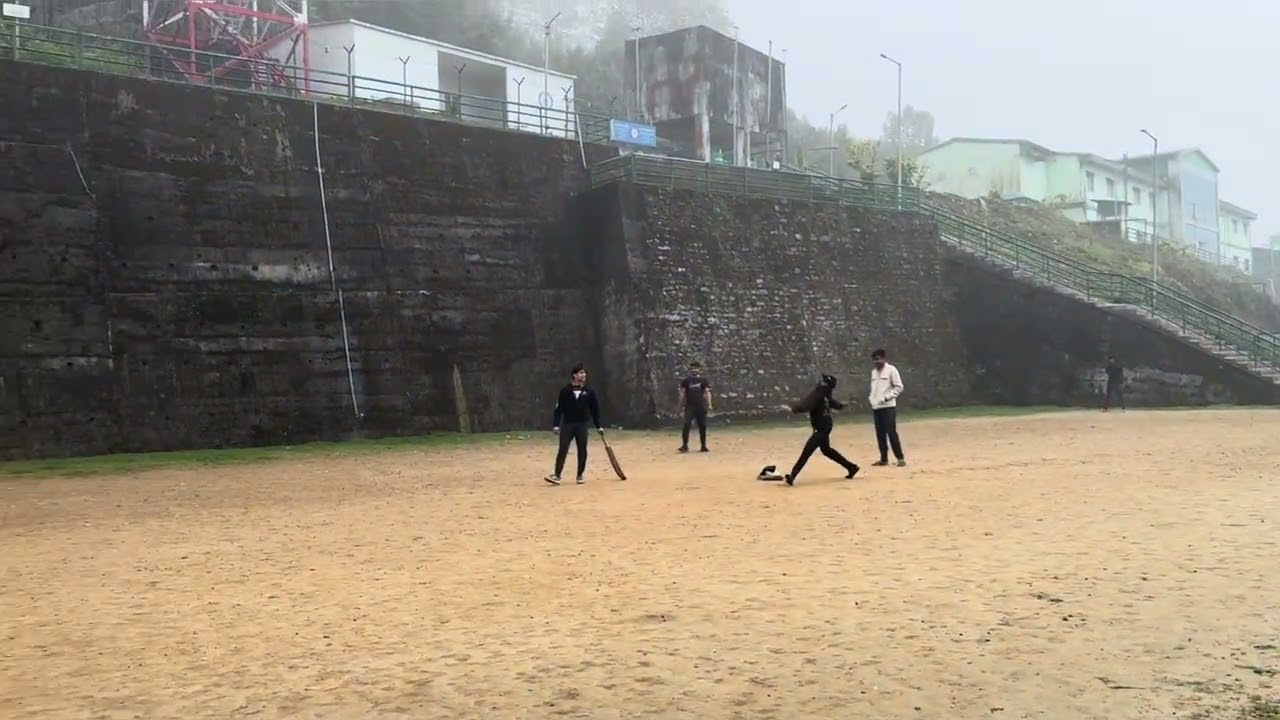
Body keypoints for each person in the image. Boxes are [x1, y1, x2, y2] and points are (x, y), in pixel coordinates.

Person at [783, 373, 859, 486]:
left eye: (823, 382)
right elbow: (835, 404)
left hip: (822, 428)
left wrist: (793, 409)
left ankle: (793, 475)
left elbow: (807, 405)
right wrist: (844, 405)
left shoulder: (819, 394)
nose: (820, 383)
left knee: (807, 451)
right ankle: (851, 467)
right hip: (825, 425)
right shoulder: (824, 394)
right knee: (827, 450)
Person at [545, 364, 602, 485]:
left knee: (582, 450)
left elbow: (595, 410)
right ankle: (557, 475)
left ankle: (580, 475)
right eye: (581, 373)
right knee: (563, 448)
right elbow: (558, 409)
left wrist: (598, 426)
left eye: (584, 373)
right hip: (568, 424)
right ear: (574, 375)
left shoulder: (589, 392)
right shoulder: (565, 391)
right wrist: (556, 425)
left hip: (582, 425)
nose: (584, 375)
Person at [868, 349, 906, 467]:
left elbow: (899, 387)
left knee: (891, 432)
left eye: (878, 359)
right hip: (876, 407)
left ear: (884, 359)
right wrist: (872, 399)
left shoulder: (891, 370)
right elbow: (873, 389)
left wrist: (887, 397)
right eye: (874, 360)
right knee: (880, 433)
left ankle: (900, 458)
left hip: (888, 406)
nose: (876, 362)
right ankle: (884, 459)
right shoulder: (874, 372)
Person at [678, 361, 712, 452]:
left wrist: (709, 404)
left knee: (702, 425)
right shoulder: (686, 381)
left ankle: (703, 446)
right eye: (692, 368)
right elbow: (682, 393)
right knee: (687, 425)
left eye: (696, 368)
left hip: (700, 406)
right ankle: (685, 445)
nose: (694, 370)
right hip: (690, 406)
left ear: (700, 370)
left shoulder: (703, 380)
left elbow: (707, 392)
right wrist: (681, 406)